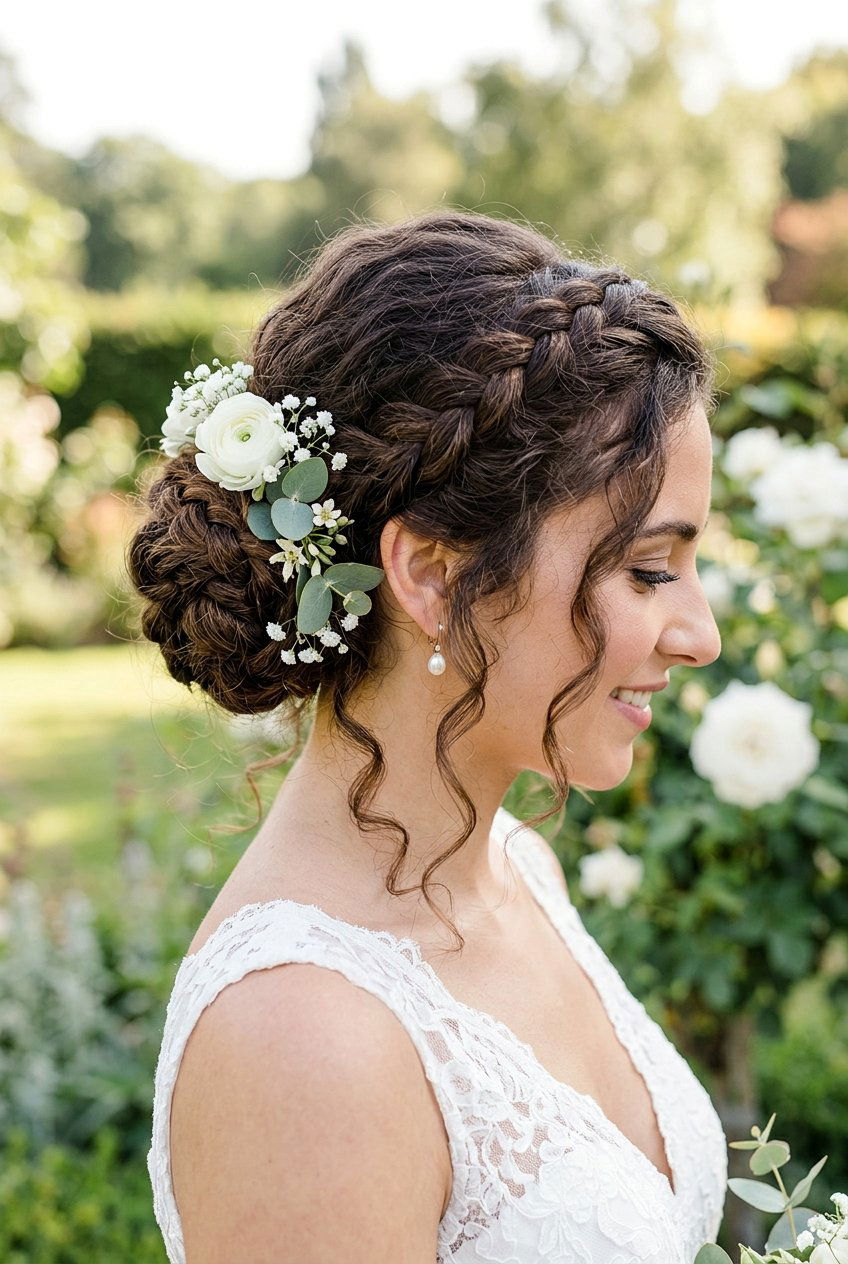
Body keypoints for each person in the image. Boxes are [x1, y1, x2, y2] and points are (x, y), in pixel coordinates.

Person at [129, 208, 728, 1263]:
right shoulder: (298, 1039)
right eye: (645, 569)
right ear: (433, 574)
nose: (700, 634)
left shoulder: (516, 868)